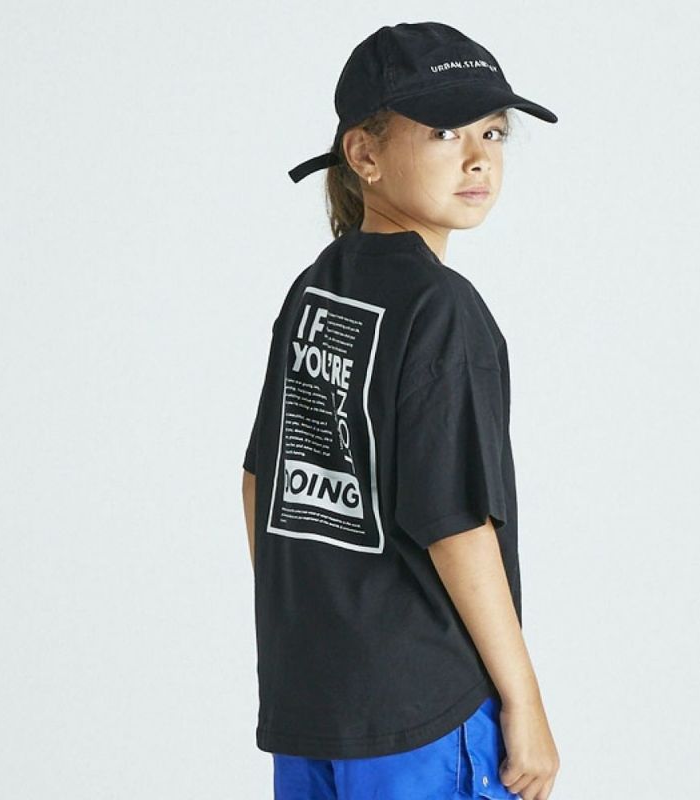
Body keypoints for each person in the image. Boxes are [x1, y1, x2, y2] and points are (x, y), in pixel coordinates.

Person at [241, 21, 560, 800]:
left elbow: (260, 484)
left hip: (315, 707)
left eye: (493, 131)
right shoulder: (440, 309)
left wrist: (319, 636)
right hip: (425, 715)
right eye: (446, 131)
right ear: (365, 154)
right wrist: (524, 701)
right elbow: (455, 522)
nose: (479, 156)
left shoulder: (316, 290)